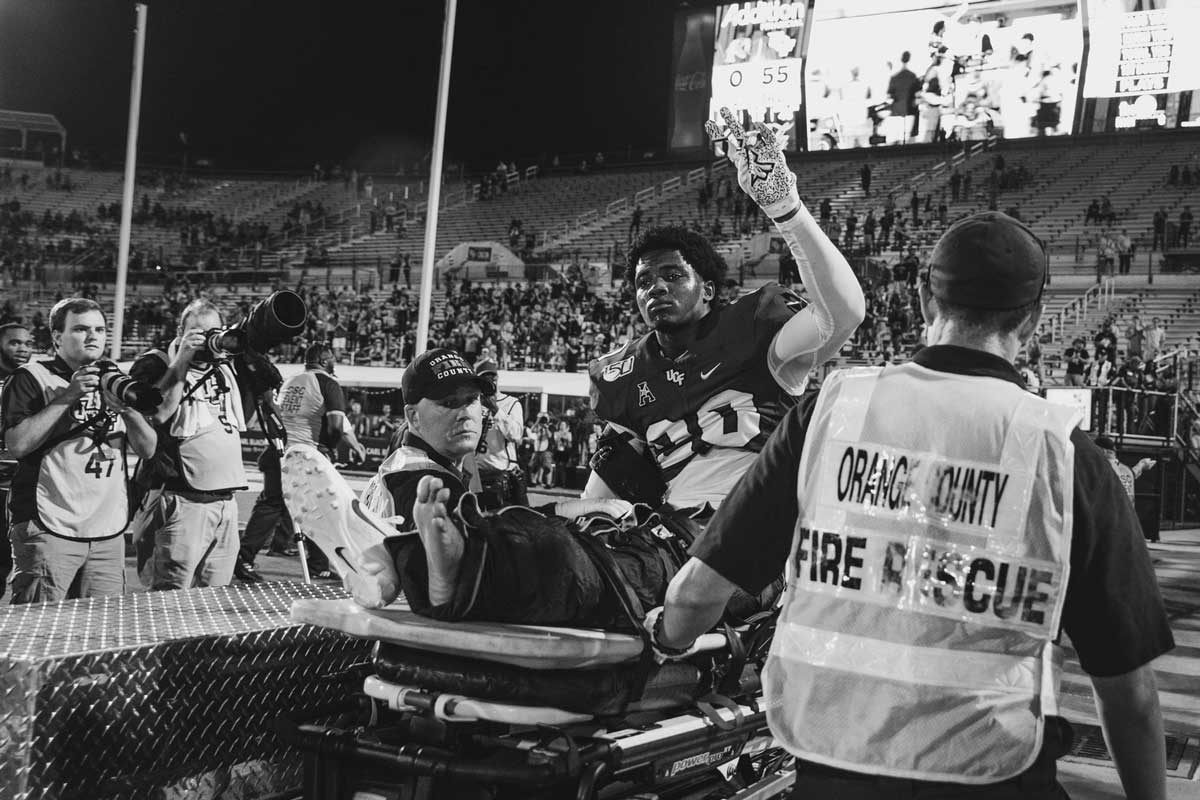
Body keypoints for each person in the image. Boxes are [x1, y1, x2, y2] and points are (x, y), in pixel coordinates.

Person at [647, 212, 1172, 799]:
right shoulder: (1063, 451)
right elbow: (1129, 695)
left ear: (925, 300)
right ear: (1034, 318)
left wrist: (662, 636)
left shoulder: (831, 412)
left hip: (829, 769)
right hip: (992, 776)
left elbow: (695, 595)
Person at [585, 109, 865, 513]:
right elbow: (604, 490)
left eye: (673, 275)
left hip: (759, 531)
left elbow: (844, 313)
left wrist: (787, 209)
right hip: (674, 540)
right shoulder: (624, 372)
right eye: (644, 282)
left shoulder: (754, 326)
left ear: (708, 289)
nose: (657, 287)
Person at [2, 299, 157, 603]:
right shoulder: (32, 377)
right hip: (49, 524)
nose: (93, 336)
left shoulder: (114, 380)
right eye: (81, 329)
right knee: (41, 630)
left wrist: (127, 410)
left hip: (107, 529)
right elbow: (17, 444)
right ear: (57, 337)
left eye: (99, 329)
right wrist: (69, 396)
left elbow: (149, 449)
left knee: (100, 632)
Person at [130, 299, 259, 590]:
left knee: (212, 602)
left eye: (214, 331)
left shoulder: (223, 367)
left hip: (226, 500)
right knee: (170, 598)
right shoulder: (156, 362)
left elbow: (243, 421)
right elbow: (157, 413)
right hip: (181, 497)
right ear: (180, 330)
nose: (207, 339)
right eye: (198, 332)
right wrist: (182, 360)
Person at [237, 343, 365, 582]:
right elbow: (336, 425)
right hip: (306, 452)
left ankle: (246, 557)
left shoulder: (291, 380)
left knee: (276, 504)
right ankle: (317, 564)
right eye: (333, 359)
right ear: (326, 360)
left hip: (279, 449)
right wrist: (330, 449)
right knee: (320, 507)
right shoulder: (328, 383)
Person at [0, 322, 33, 598]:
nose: (23, 349)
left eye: (28, 343)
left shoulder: (33, 383)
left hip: (19, 489)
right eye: (15, 342)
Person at [473, 358, 528, 509]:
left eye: (493, 377)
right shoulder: (471, 404)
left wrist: (496, 410)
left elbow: (516, 435)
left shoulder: (511, 403)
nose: (490, 382)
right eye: (485, 378)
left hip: (501, 473)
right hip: (475, 472)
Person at [1094, 435, 1155, 502]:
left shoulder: (1101, 468)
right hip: (1129, 511)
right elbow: (1133, 473)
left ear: (1103, 451)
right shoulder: (1127, 470)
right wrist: (1142, 464)